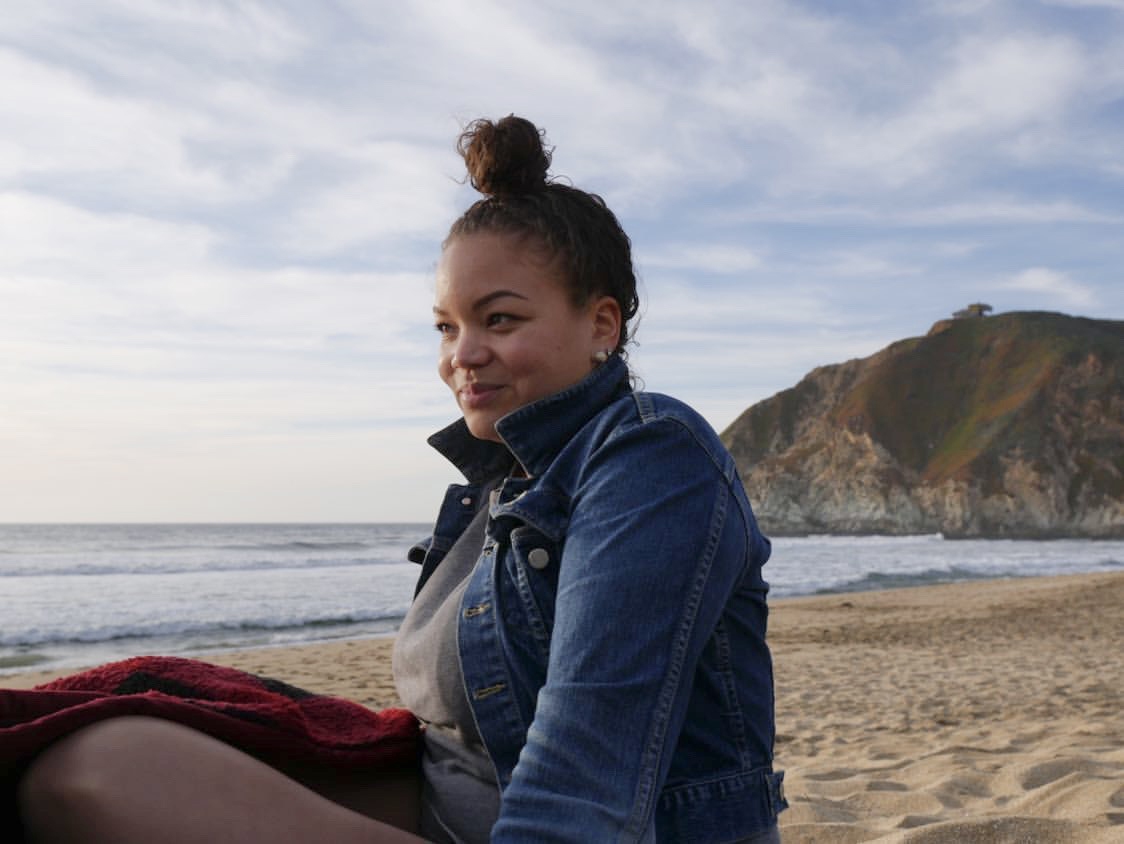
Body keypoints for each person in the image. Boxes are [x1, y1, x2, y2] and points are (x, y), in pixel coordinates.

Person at [15, 115, 785, 843]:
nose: (463, 355)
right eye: (447, 326)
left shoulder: (653, 458)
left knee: (94, 777)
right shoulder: (499, 485)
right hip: (447, 806)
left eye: (501, 320)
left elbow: (590, 760)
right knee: (109, 745)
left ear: (602, 325)